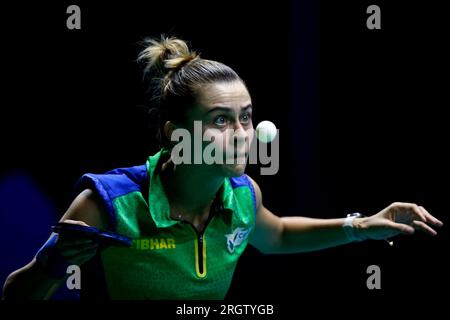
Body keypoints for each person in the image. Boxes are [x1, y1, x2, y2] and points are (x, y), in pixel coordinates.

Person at [2, 36, 443, 300]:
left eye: (246, 117)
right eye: (220, 120)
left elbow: (278, 235)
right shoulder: (108, 203)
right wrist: (52, 264)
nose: (242, 133)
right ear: (177, 134)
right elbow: (17, 296)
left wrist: (361, 225)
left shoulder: (243, 194)